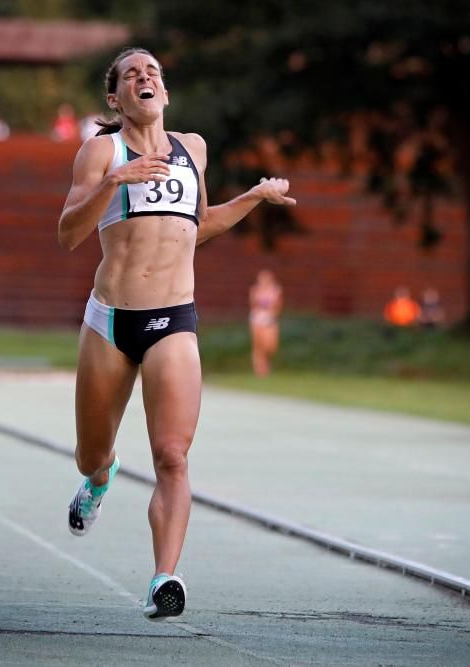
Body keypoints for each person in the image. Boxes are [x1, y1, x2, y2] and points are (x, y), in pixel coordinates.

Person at [57, 47, 297, 620]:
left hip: (174, 319)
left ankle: (164, 578)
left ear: (163, 92)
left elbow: (197, 225)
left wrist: (254, 198)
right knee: (90, 452)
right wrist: (114, 181)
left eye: (154, 72)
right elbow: (67, 232)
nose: (145, 77)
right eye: (131, 74)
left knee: (172, 455)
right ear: (115, 98)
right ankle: (101, 475)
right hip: (111, 320)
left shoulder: (194, 149)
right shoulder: (101, 151)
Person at [249, 270, 283, 377]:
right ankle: (261, 369)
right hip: (257, 319)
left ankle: (266, 362)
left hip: (270, 319)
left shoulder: (276, 290)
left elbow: (279, 306)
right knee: (258, 345)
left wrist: (272, 314)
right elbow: (252, 305)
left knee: (270, 346)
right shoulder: (255, 290)